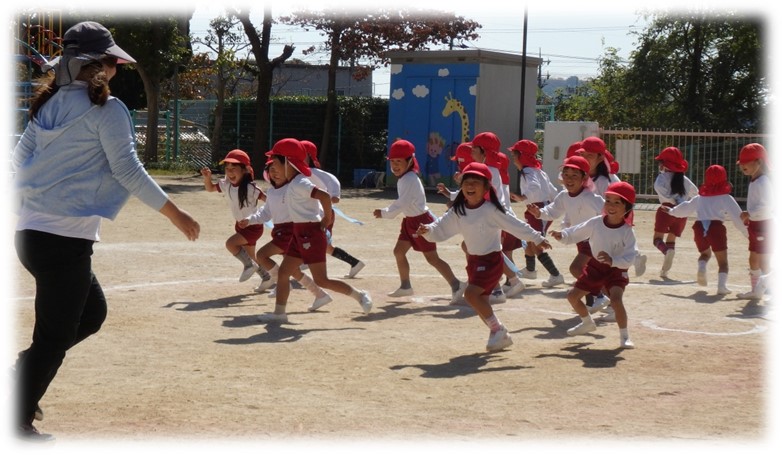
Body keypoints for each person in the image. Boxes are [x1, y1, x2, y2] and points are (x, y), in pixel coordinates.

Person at [10, 21, 200, 441]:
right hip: (61, 241)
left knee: (91, 315)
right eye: (114, 62)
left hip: (35, 237)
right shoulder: (108, 110)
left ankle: (21, 378)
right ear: (105, 66)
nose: (116, 68)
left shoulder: (48, 103)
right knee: (54, 338)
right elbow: (127, 170)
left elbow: (15, 162)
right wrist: (175, 213)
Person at [417, 162, 552, 351]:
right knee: (480, 302)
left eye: (476, 182)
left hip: (491, 261)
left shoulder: (491, 210)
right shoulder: (459, 209)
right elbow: (441, 225)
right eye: (466, 182)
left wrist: (537, 238)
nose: (470, 186)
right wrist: (428, 230)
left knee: (470, 294)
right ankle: (497, 333)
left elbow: (516, 225)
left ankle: (499, 330)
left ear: (486, 187)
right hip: (473, 261)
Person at [246, 138, 372, 323]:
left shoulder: (299, 183)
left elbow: (324, 195)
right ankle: (279, 314)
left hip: (311, 235)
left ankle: (360, 296)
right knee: (283, 273)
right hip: (300, 234)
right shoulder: (291, 183)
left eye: (275, 162)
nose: (272, 167)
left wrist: (326, 219)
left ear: (288, 162)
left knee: (322, 280)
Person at [373, 139, 466, 302]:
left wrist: (384, 213)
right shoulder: (404, 178)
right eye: (392, 162)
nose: (394, 165)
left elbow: (402, 203)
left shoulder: (409, 179)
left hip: (421, 222)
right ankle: (405, 286)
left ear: (410, 161)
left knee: (432, 258)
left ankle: (456, 284)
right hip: (410, 221)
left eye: (399, 161)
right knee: (398, 252)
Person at [549, 182, 639, 349]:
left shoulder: (627, 231)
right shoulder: (596, 222)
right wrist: (562, 235)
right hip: (595, 267)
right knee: (572, 296)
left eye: (617, 202)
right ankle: (587, 322)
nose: (611, 206)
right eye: (608, 200)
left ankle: (625, 336)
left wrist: (613, 261)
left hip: (616, 270)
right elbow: (577, 231)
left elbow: (631, 256)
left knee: (616, 300)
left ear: (627, 207)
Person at [240, 157, 332, 309]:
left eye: (277, 169)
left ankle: (281, 284)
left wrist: (322, 219)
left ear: (288, 169)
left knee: (262, 255)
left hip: (291, 232)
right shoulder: (271, 192)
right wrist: (249, 220)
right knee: (292, 270)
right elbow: (265, 213)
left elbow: (315, 203)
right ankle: (320, 295)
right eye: (271, 170)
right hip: (280, 232)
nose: (274, 173)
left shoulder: (293, 188)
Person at [527, 156, 605, 306]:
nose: (569, 179)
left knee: (576, 268)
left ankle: (599, 296)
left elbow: (607, 212)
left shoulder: (591, 197)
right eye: (566, 175)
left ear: (585, 177)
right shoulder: (563, 196)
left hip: (594, 240)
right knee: (589, 273)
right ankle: (596, 303)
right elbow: (552, 211)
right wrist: (539, 213)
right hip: (580, 240)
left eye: (574, 175)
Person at [663, 165, 748, 295]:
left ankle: (702, 267)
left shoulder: (700, 197)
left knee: (705, 254)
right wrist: (747, 232)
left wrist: (671, 211)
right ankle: (721, 287)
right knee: (723, 263)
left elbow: (686, 207)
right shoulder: (725, 197)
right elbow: (738, 217)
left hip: (699, 227)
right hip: (716, 228)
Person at [466, 133, 525, 302]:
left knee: (486, 251)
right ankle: (509, 281)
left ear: (483, 150)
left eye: (474, 149)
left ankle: (500, 287)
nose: (471, 152)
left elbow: (483, 196)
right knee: (482, 250)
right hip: (491, 217)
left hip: (491, 218)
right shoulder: (490, 168)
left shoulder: (489, 170)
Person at [201, 149, 272, 286]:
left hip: (253, 227)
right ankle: (266, 277)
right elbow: (209, 188)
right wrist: (207, 178)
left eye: (234, 168)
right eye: (227, 169)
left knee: (230, 244)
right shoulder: (225, 184)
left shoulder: (251, 188)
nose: (230, 172)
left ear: (245, 170)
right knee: (250, 256)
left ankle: (249, 266)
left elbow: (269, 200)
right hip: (240, 225)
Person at [300, 140, 366, 279]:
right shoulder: (298, 175)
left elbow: (335, 197)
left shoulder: (318, 175)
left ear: (309, 156)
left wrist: (318, 200)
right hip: (313, 214)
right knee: (326, 247)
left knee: (312, 241)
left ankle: (306, 260)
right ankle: (354, 263)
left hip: (319, 215)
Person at [507, 139, 565, 288]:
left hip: (538, 210)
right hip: (538, 209)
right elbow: (553, 191)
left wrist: (522, 198)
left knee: (536, 243)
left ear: (522, 156)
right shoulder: (538, 170)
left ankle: (555, 274)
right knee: (528, 239)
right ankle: (530, 269)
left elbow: (534, 187)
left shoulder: (528, 171)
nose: (513, 158)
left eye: (515, 154)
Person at [652, 147, 699, 278]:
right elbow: (696, 193)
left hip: (666, 209)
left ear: (664, 164)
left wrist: (673, 203)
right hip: (682, 212)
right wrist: (684, 204)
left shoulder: (661, 179)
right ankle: (665, 271)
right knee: (672, 237)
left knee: (657, 240)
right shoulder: (684, 179)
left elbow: (664, 195)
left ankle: (666, 251)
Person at [734, 143, 771, 300]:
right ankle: (756, 289)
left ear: (759, 162)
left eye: (746, 162)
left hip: (764, 224)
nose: (742, 165)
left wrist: (750, 214)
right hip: (756, 224)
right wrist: (750, 215)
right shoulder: (755, 180)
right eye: (741, 162)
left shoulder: (763, 182)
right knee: (754, 258)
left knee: (763, 259)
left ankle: (769, 288)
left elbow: (768, 206)